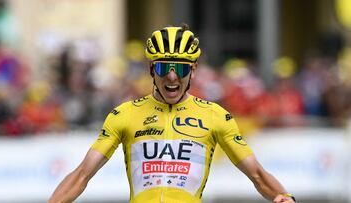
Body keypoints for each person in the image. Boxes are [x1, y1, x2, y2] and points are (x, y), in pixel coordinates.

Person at [48, 25, 296, 203]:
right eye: (165, 67)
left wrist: (284, 197)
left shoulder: (215, 116)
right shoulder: (124, 114)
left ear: (194, 69)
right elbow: (82, 174)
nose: (172, 76)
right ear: (151, 68)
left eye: (180, 68)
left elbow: (257, 174)